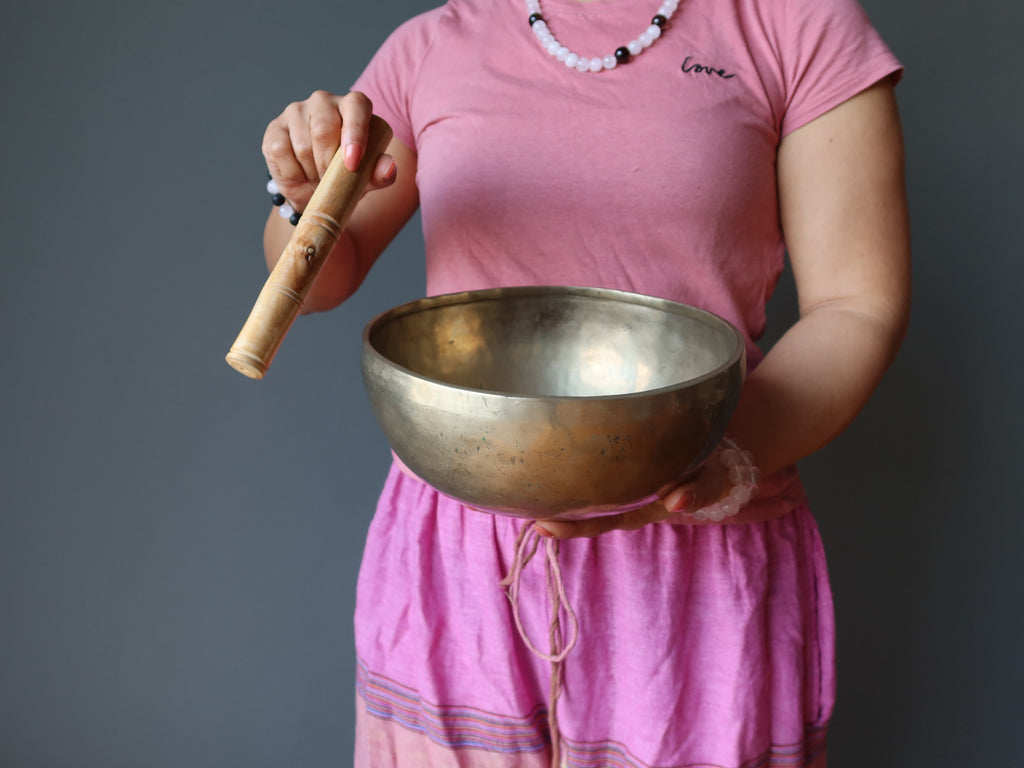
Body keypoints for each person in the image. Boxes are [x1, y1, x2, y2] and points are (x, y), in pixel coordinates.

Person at [261, 0, 910, 765]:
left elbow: (857, 304)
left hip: (694, 538)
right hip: (462, 553)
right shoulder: (433, 44)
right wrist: (303, 193)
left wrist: (723, 454)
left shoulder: (795, 25)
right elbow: (318, 275)